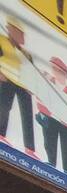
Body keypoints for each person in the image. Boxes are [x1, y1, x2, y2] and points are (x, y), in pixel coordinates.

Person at [0, 16, 37, 157]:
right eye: (19, 33)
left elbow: (33, 74)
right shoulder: (2, 41)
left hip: (23, 85)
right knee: (4, 106)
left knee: (27, 114)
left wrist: (31, 87)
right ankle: (1, 134)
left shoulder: (27, 54)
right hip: (7, 79)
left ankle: (30, 149)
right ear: (11, 30)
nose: (22, 37)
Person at [35, 56, 67, 174]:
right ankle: (51, 162)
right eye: (54, 69)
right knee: (49, 140)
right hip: (51, 118)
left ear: (64, 74)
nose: (56, 72)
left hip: (66, 123)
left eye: (59, 71)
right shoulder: (49, 81)